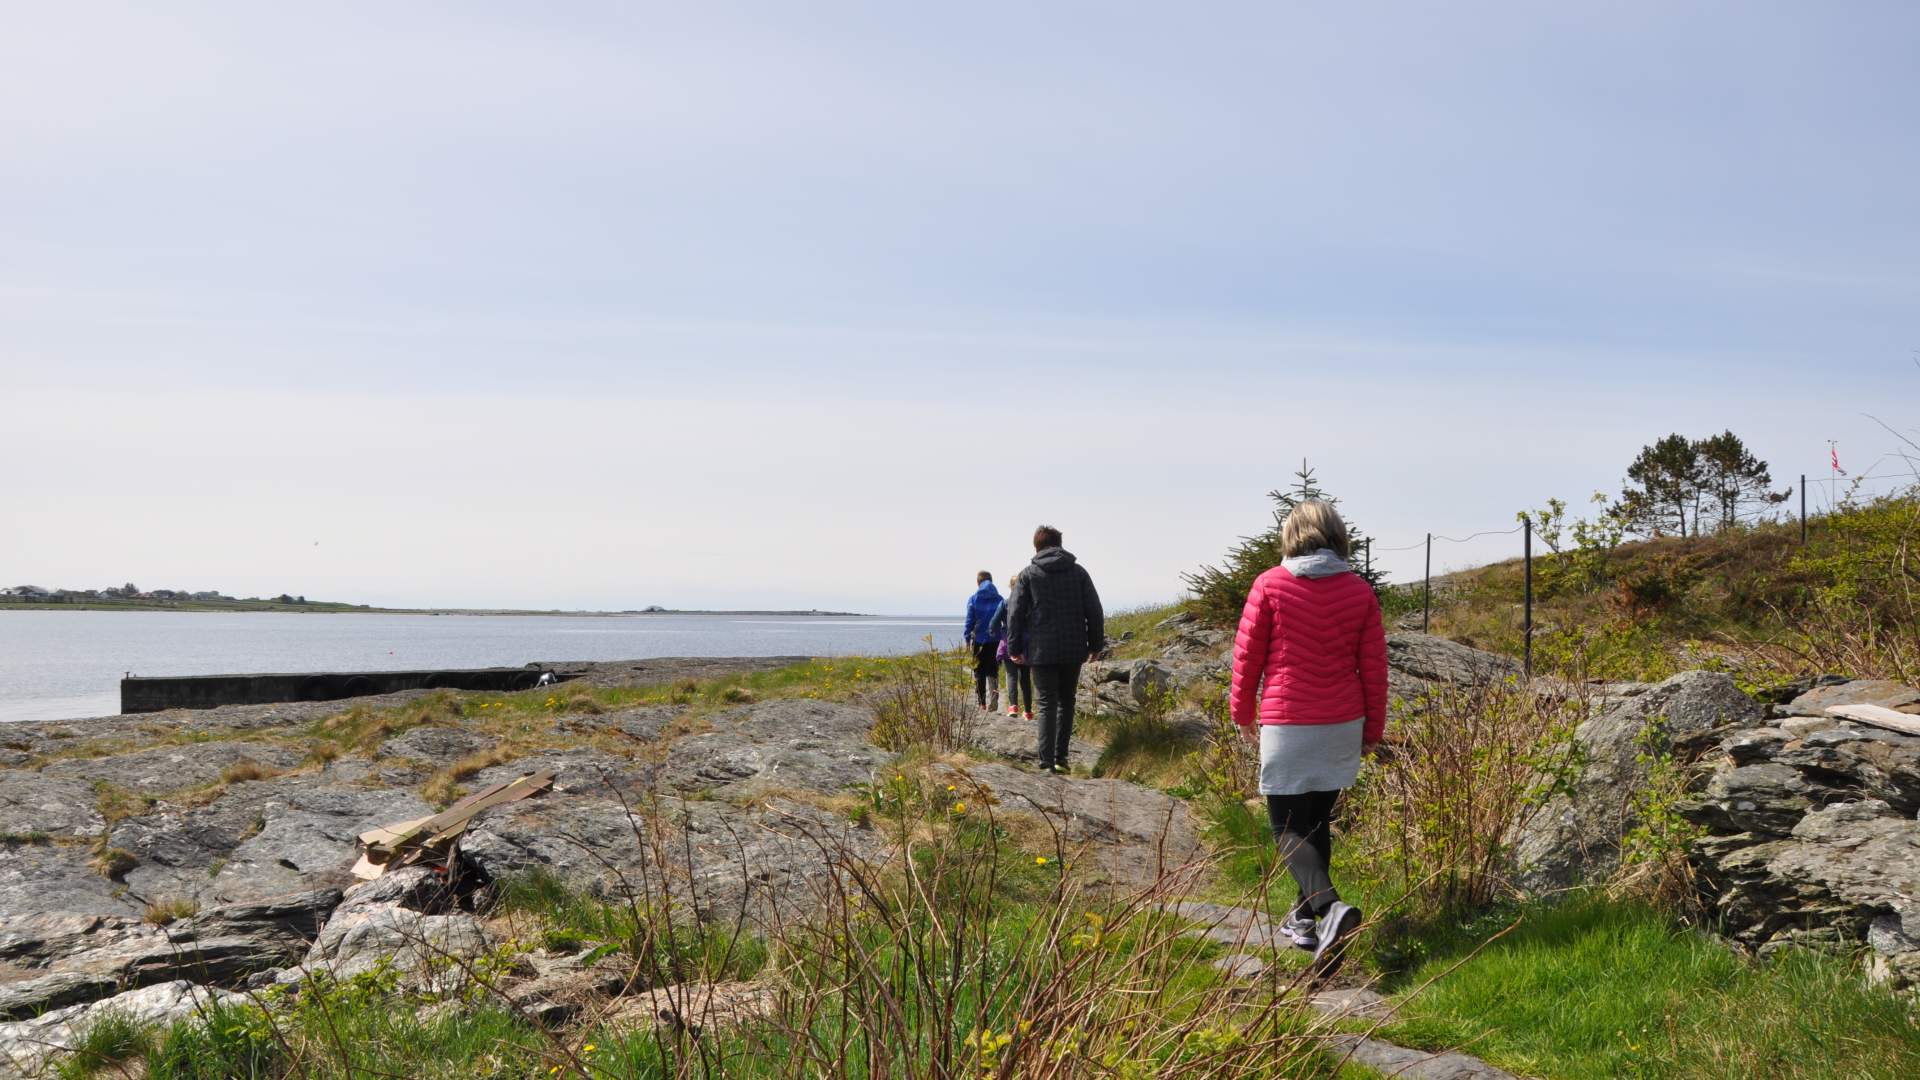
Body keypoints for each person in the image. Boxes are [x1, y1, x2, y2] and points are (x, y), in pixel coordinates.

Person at [1229, 499, 1387, 979]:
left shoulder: (1270, 585)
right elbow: (1375, 668)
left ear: (1292, 534)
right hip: (1342, 721)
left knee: (1284, 828)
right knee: (1317, 824)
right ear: (1337, 535)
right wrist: (1372, 729)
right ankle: (1306, 921)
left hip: (1288, 719)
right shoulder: (1358, 591)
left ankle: (1329, 908)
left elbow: (1248, 655)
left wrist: (1240, 711)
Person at [1006, 525, 1104, 774]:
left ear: (1036, 547)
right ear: (1060, 544)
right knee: (1066, 701)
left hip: (1042, 650)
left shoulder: (1028, 575)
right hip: (1073, 649)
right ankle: (1061, 759)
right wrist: (1095, 644)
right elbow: (1094, 610)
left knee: (1047, 702)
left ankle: (1046, 762)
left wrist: (1014, 647)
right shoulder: (1079, 572)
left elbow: (1014, 614)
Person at [989, 574, 1033, 720]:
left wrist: (998, 635)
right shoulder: (1030, 603)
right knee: (1025, 678)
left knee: (1011, 675)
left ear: (1010, 586)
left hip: (1009, 642)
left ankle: (1013, 706)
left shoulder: (1005, 603)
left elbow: (993, 624)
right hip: (1027, 644)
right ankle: (1028, 711)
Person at [962, 570, 1004, 711]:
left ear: (977, 583)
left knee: (979, 671)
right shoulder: (999, 599)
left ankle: (982, 704)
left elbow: (969, 620)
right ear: (992, 581)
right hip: (995, 640)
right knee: (993, 670)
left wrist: (967, 637)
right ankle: (993, 700)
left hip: (979, 640)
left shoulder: (973, 599)